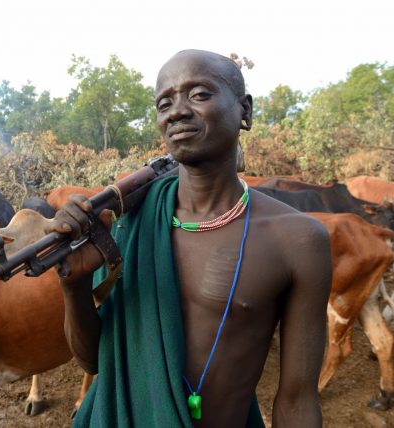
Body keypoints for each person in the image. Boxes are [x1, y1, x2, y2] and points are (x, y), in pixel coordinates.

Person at [48, 50, 332, 427]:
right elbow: (93, 361)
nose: (177, 111)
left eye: (199, 94)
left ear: (245, 111)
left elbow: (297, 400)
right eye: (164, 102)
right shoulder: (129, 222)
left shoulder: (298, 240)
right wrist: (75, 283)